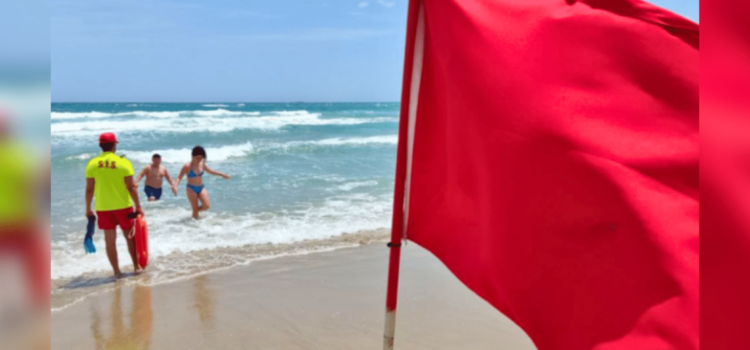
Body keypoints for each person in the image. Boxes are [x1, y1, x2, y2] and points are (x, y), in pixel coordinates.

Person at [85, 132, 144, 278]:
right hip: (123, 206)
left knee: (109, 241)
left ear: (100, 145)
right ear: (114, 145)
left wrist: (88, 208)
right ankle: (136, 267)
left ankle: (117, 272)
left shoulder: (92, 163)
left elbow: (89, 189)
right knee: (130, 238)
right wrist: (138, 206)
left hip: (103, 208)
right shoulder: (123, 162)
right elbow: (131, 187)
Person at [173, 146, 230, 219]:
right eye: (197, 158)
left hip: (201, 187)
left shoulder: (202, 164)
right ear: (192, 156)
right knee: (195, 211)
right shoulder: (187, 166)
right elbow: (179, 177)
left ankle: (195, 212)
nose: (199, 160)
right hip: (191, 189)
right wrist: (175, 186)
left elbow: (211, 171)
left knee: (206, 206)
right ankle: (194, 223)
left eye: (201, 158)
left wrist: (222, 174)